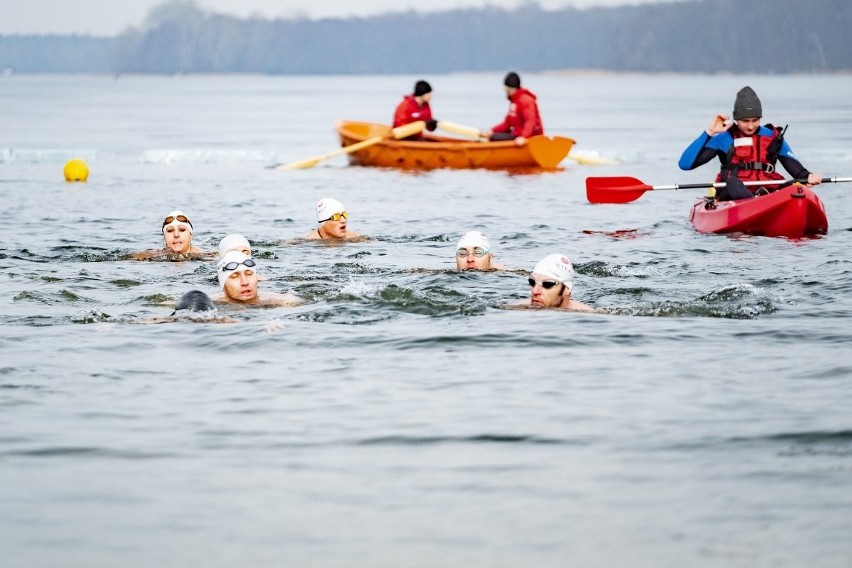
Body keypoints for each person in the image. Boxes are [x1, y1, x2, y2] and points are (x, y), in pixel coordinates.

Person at [678, 85, 822, 201]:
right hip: (733, 192)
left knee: (797, 186)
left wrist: (810, 177)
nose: (751, 126)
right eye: (745, 121)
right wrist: (709, 132)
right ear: (736, 119)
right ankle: (755, 203)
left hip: (769, 192)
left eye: (755, 120)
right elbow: (685, 164)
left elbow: (798, 172)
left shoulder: (773, 138)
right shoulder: (724, 138)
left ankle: (763, 204)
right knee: (733, 182)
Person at [216, 250, 301, 306]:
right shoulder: (211, 305)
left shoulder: (283, 301)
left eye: (249, 274)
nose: (245, 282)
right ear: (223, 285)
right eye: (235, 277)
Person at [483, 72, 544, 146]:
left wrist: (523, 137)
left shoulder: (525, 100)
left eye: (506, 89)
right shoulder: (515, 102)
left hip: (530, 138)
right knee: (493, 136)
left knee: (494, 138)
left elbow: (530, 121)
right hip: (517, 135)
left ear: (510, 89)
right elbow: (508, 123)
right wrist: (492, 130)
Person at [516, 254, 594, 312]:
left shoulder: (587, 314)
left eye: (547, 284)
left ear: (567, 289)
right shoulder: (519, 309)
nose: (535, 291)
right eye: (532, 282)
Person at [128, 210, 214, 261]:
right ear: (164, 238)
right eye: (170, 231)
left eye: (182, 230)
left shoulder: (206, 257)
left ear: (191, 236)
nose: (176, 235)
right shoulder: (155, 255)